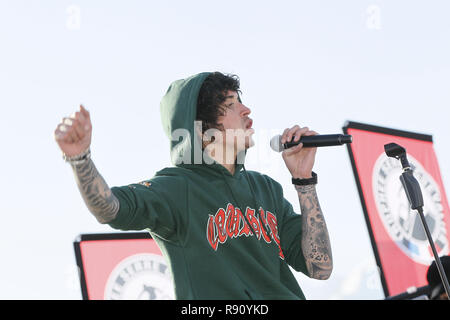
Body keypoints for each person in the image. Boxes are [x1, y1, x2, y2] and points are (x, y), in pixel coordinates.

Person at [54, 71, 333, 300]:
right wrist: (80, 159)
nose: (247, 110)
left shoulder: (266, 189)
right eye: (231, 105)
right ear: (200, 129)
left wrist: (304, 180)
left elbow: (320, 268)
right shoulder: (176, 188)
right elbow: (109, 208)